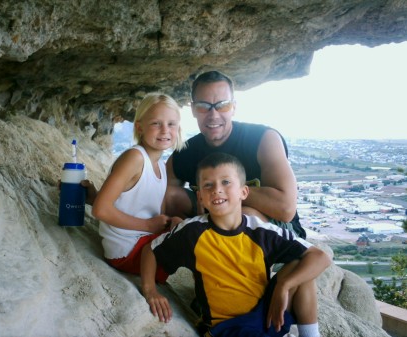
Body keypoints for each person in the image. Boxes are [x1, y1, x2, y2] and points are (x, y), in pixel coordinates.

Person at [141, 152, 331, 337]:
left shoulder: (262, 231)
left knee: (301, 265)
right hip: (226, 328)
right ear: (200, 197)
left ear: (244, 191)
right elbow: (151, 250)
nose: (217, 189)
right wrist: (150, 291)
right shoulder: (192, 232)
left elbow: (320, 257)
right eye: (208, 185)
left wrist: (283, 285)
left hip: (267, 316)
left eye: (226, 182)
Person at [165, 70, 306, 238]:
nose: (213, 115)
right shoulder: (185, 151)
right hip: (212, 221)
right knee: (170, 195)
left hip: (272, 228)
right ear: (194, 109)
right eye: (203, 107)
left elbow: (285, 209)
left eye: (222, 105)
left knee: (244, 216)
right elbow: (164, 196)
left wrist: (222, 194)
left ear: (233, 107)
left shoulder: (262, 139)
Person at [91, 92, 185, 283]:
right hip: (128, 251)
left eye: (171, 124)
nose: (165, 130)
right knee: (197, 241)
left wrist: (169, 222)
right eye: (156, 123)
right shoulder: (134, 158)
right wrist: (149, 225)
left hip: (143, 243)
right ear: (139, 127)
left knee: (192, 228)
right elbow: (100, 209)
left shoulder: (160, 164)